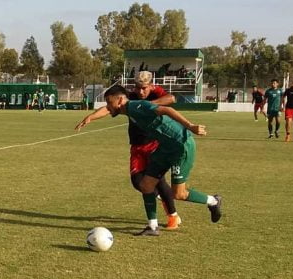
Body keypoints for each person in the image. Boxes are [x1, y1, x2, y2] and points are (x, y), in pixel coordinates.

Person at [75, 85, 222, 236]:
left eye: (109, 102)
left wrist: (190, 126)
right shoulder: (127, 109)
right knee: (146, 185)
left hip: (180, 146)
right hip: (164, 148)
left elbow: (167, 109)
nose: (108, 106)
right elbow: (107, 110)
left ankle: (213, 201)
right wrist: (90, 117)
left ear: (119, 100)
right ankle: (152, 226)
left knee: (179, 194)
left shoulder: (137, 106)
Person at [75, 72, 182, 230]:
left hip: (154, 144)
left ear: (150, 85)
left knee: (159, 181)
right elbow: (108, 108)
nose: (140, 91)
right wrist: (91, 117)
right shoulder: (129, 96)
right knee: (138, 182)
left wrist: (147, 106)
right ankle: (156, 198)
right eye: (138, 88)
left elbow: (171, 99)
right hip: (137, 146)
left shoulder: (156, 92)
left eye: (143, 88)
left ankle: (172, 216)